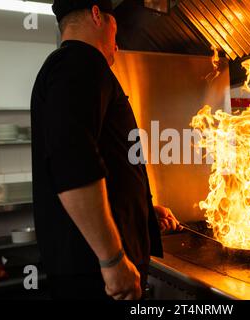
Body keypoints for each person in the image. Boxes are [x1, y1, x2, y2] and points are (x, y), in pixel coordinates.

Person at [30, 0, 181, 300]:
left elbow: (98, 163)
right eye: (115, 23)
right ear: (97, 14)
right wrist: (111, 259)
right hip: (95, 275)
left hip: (90, 268)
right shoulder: (79, 62)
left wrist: (138, 212)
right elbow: (73, 164)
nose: (117, 36)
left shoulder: (74, 67)